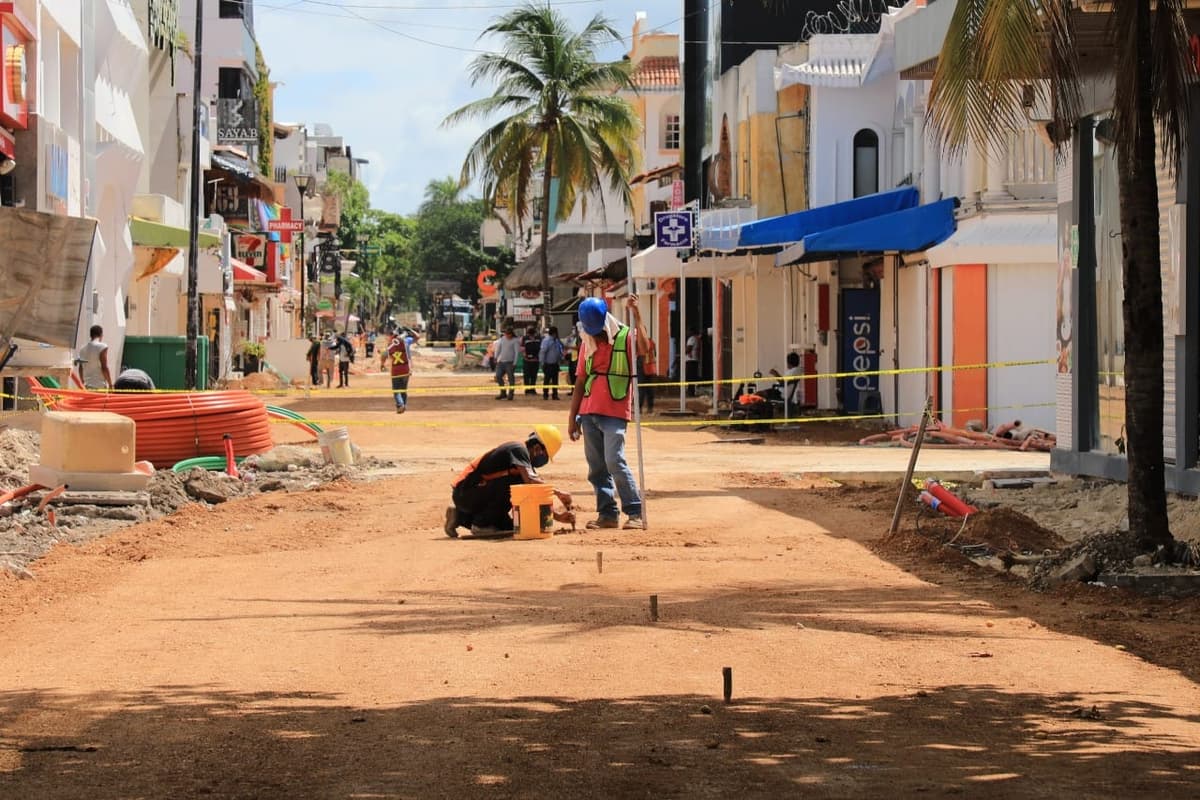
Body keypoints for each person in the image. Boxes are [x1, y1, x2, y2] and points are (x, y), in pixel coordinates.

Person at [567, 296, 644, 530]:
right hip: (589, 411)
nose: (596, 334)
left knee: (614, 460)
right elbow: (580, 381)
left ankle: (635, 512)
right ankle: (607, 514)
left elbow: (644, 349)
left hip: (615, 410)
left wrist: (637, 314)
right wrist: (573, 418)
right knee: (597, 467)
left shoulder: (625, 337)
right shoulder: (586, 342)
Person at [444, 425, 569, 538]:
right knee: (518, 482)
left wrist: (558, 517)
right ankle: (481, 525)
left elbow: (536, 496)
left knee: (509, 526)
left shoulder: (523, 461)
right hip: (465, 493)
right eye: (546, 456)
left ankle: (459, 516)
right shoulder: (518, 449)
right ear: (537, 448)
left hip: (471, 495)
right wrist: (558, 493)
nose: (544, 460)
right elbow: (530, 483)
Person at [629, 299, 657, 414]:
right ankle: (640, 407)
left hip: (645, 365)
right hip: (645, 365)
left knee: (644, 388)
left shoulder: (648, 342)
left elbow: (648, 352)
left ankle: (644, 407)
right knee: (642, 388)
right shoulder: (649, 342)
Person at [380, 331, 412, 413]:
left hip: (396, 371)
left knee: (396, 390)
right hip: (405, 370)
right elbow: (417, 337)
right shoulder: (405, 343)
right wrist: (407, 332)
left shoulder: (391, 346)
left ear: (392, 337)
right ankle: (403, 406)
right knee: (403, 390)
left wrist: (382, 365)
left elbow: (383, 355)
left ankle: (400, 405)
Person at [76, 325, 112, 390]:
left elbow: (80, 368)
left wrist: (82, 382)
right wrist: (110, 384)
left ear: (90, 335)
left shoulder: (82, 349)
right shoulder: (102, 347)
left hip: (86, 386)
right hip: (99, 386)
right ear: (101, 335)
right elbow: (104, 367)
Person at [493, 327, 519, 400]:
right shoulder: (502, 339)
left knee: (511, 379)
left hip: (510, 362)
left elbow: (517, 353)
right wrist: (496, 357)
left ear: (511, 334)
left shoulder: (515, 341)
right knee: (498, 376)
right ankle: (503, 392)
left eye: (508, 334)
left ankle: (511, 394)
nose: (507, 336)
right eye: (506, 334)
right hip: (501, 362)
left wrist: (515, 363)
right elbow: (498, 348)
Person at [539, 325, 564, 400]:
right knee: (547, 380)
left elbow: (559, 350)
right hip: (548, 364)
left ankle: (555, 394)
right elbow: (543, 352)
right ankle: (545, 394)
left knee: (555, 380)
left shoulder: (556, 341)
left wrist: (560, 358)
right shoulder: (546, 341)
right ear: (554, 333)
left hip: (555, 364)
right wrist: (542, 363)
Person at [521, 326, 541, 395]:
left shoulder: (538, 338)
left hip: (535, 360)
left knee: (534, 376)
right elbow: (522, 348)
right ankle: (527, 390)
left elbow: (541, 349)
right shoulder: (525, 338)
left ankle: (532, 389)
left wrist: (538, 357)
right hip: (527, 361)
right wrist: (525, 356)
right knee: (526, 375)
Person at [685, 327, 701, 397]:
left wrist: (683, 351)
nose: (687, 332)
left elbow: (688, 349)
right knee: (693, 377)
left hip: (691, 360)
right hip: (695, 360)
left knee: (690, 377)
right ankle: (692, 391)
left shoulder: (691, 339)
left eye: (688, 331)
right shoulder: (697, 338)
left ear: (691, 331)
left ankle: (690, 392)